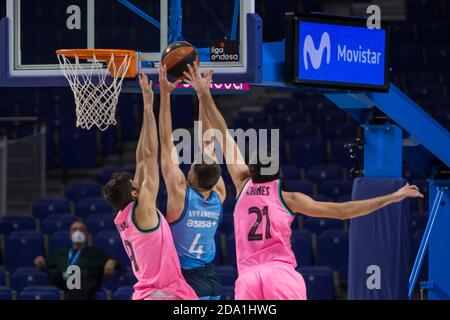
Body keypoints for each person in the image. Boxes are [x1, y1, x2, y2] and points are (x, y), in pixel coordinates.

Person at [183, 62, 424, 300]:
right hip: (280, 275)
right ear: (277, 173)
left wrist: (204, 94)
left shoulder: (242, 182)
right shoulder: (289, 198)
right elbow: (342, 212)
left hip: (247, 278)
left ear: (252, 170)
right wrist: (392, 197)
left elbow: (222, 133)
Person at [103, 74, 197, 300]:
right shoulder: (143, 210)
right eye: (135, 182)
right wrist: (148, 105)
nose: (138, 179)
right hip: (161, 294)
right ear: (135, 193)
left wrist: (148, 107)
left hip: (150, 292)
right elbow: (150, 155)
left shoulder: (124, 214)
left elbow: (142, 158)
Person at [158, 65, 226, 300]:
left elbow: (166, 143)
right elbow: (208, 144)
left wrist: (165, 96)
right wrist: (202, 94)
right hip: (211, 281)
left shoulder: (179, 195)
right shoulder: (219, 193)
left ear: (191, 177)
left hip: (186, 281)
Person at [34, 219, 118, 300]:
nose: (78, 232)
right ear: (70, 235)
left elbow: (116, 263)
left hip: (86, 282)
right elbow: (45, 263)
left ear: (88, 235)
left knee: (82, 276)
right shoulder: (62, 253)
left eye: (81, 230)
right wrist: (40, 261)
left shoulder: (96, 252)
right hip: (65, 282)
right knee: (54, 274)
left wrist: (111, 262)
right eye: (74, 230)